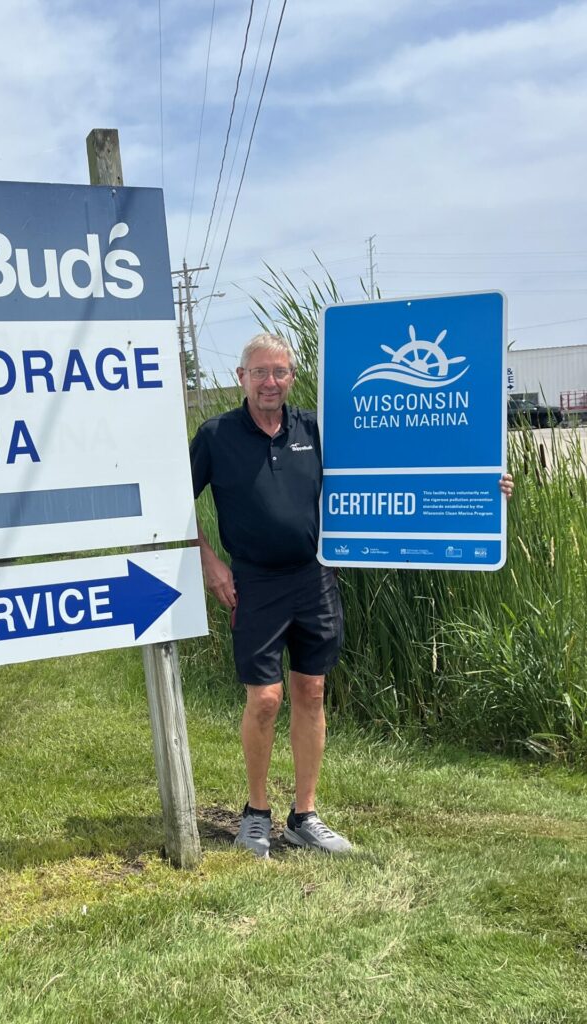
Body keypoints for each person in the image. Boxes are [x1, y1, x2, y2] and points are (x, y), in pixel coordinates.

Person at [190, 332, 515, 858]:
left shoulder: (316, 429)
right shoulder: (216, 434)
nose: (270, 382)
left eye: (280, 372)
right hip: (254, 582)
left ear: (292, 377)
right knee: (266, 699)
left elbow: (398, 463)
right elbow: (175, 499)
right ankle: (255, 813)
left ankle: (304, 815)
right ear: (242, 377)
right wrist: (210, 561)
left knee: (311, 692)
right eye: (260, 373)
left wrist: (482, 482)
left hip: (315, 577)